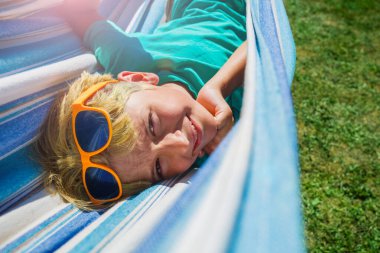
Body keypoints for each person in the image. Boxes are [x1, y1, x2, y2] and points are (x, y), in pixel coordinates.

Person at [35, 0, 247, 210]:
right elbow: (264, 38)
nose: (182, 144)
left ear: (139, 79)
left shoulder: (132, 58)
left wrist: (221, 85)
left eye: (153, 125)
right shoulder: (223, 156)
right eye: (158, 167)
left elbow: (80, 13)